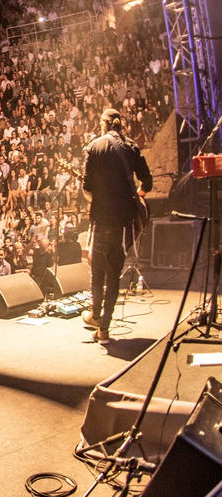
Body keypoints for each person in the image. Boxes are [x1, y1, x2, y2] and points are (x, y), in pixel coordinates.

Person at [81, 107, 152, 342]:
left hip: (100, 221)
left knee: (97, 272)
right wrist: (138, 196)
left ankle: (95, 315)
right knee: (113, 276)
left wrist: (100, 200)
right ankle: (104, 330)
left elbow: (87, 190)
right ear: (120, 125)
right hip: (123, 225)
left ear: (103, 124)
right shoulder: (132, 147)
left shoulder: (94, 147)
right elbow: (147, 182)